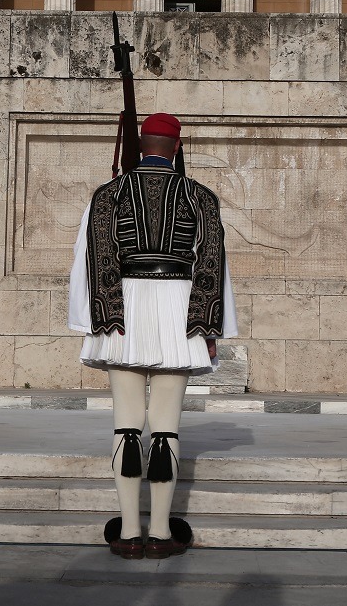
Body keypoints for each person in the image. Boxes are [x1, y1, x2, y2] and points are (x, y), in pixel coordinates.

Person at [68, 113, 237, 560]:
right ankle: (161, 533)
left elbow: (91, 258)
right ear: (177, 147)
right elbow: (213, 263)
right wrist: (208, 325)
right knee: (166, 429)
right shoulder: (201, 196)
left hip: (122, 308)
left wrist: (98, 319)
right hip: (179, 311)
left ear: (140, 145)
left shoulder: (108, 195)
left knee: (126, 425)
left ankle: (126, 532)